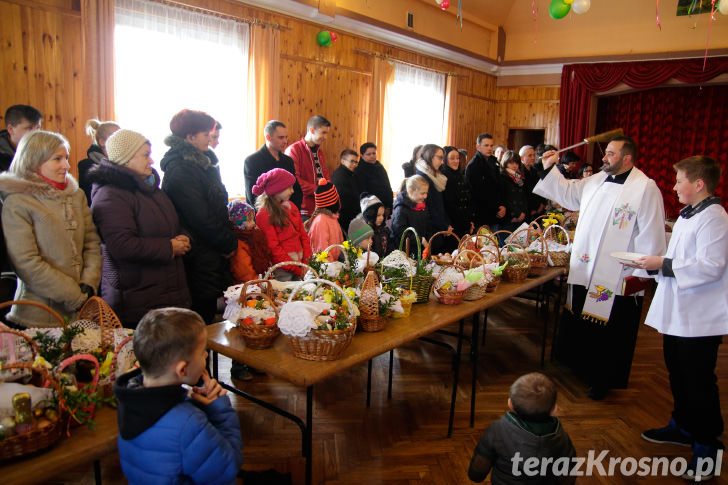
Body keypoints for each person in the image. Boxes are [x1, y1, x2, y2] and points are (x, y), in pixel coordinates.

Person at [534, 136, 666, 400]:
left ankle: (603, 378)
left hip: (617, 273)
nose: (604, 158)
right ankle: (581, 368)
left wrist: (641, 273)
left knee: (611, 329)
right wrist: (549, 167)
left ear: (627, 158)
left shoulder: (645, 188)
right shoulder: (595, 180)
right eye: (605, 153)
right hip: (586, 265)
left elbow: (652, 231)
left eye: (611, 154)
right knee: (583, 316)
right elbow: (568, 193)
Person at [635, 156, 727, 481]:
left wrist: (662, 263)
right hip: (679, 312)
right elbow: (678, 259)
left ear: (698, 184)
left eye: (679, 181)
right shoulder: (690, 216)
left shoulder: (715, 218)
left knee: (699, 380)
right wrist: (648, 265)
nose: (674, 186)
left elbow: (712, 265)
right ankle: (683, 426)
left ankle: (708, 446)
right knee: (678, 371)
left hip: (699, 317)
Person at [113, 307, 243, 484]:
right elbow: (227, 469)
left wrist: (190, 401)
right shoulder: (188, 423)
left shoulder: (129, 402)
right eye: (202, 351)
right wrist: (220, 410)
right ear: (182, 369)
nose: (206, 355)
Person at [88, 129, 191, 329]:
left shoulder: (149, 189)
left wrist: (183, 238)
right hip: (136, 298)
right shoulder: (111, 194)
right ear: (126, 159)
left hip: (164, 290)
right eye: (145, 155)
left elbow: (171, 224)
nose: (151, 161)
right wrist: (169, 247)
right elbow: (122, 245)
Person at [0, 130, 101, 327]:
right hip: (37, 315)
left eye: (66, 158)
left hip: (79, 313)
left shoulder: (76, 196)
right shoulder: (18, 202)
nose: (67, 165)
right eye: (57, 159)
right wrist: (74, 295)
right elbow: (26, 262)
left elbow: (92, 244)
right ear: (34, 162)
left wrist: (89, 283)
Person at [160, 109, 237, 324]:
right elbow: (201, 218)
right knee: (198, 319)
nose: (210, 140)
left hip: (209, 252)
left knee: (208, 316)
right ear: (190, 137)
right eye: (206, 135)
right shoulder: (181, 171)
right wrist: (227, 243)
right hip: (198, 255)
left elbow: (216, 206)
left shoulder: (202, 165)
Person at [468, 372, 576, 484]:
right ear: (554, 409)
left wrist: (475, 474)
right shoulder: (561, 436)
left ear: (510, 404)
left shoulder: (497, 430)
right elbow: (568, 475)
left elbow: (478, 471)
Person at [254, 168, 312, 281]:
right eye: (289, 188)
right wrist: (296, 269)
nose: (292, 191)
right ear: (276, 189)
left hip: (301, 265)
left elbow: (303, 235)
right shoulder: (264, 214)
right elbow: (273, 247)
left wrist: (306, 262)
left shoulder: (292, 207)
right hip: (283, 270)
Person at [244, 120, 303, 209]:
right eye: (281, 137)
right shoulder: (252, 161)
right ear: (268, 137)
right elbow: (253, 196)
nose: (285, 141)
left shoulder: (288, 161)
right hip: (264, 215)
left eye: (286, 137)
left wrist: (291, 211)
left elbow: (296, 190)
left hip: (288, 213)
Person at [285, 115, 331, 220]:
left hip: (321, 208)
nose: (326, 137)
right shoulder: (294, 150)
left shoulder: (320, 152)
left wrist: (328, 190)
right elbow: (294, 181)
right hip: (303, 210)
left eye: (327, 133)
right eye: (323, 132)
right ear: (312, 130)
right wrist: (318, 190)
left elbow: (325, 175)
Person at [465, 133, 506, 231]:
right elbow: (476, 193)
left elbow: (499, 187)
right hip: (481, 215)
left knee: (494, 244)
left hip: (495, 214)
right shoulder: (473, 166)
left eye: (491, 146)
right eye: (486, 145)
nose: (489, 148)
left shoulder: (494, 162)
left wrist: (502, 205)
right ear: (478, 147)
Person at [415, 144, 452, 248]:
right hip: (429, 230)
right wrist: (443, 226)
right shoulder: (422, 178)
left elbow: (441, 205)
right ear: (429, 156)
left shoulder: (435, 176)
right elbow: (429, 207)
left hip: (438, 227)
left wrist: (446, 224)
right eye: (440, 157)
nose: (442, 162)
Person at [228, 199, 272, 285]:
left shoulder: (254, 236)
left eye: (252, 219)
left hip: (260, 283)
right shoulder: (239, 244)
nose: (253, 223)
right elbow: (246, 275)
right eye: (248, 220)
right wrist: (265, 285)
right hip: (248, 289)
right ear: (239, 222)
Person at [78, 119, 120, 205]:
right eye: (115, 137)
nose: (120, 141)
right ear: (102, 142)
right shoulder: (87, 166)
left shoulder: (123, 163)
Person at [304, 179, 344, 261]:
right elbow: (322, 251)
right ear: (334, 201)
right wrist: (333, 268)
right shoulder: (321, 221)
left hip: (333, 266)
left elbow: (340, 242)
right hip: (324, 269)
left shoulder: (332, 217)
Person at [391, 175, 430, 257]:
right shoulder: (401, 209)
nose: (425, 196)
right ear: (411, 191)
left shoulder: (422, 207)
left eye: (426, 193)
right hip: (404, 252)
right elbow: (400, 231)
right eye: (422, 193)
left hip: (418, 250)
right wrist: (420, 240)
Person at [355, 142, 393, 217]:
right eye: (368, 154)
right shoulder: (359, 170)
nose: (372, 156)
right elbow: (363, 193)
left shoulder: (379, 167)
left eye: (374, 153)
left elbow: (387, 187)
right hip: (370, 209)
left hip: (385, 207)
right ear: (362, 156)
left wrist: (389, 206)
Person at [0, 104, 42, 172]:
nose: (35, 133)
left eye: (38, 128)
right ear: (10, 129)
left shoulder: (45, 150)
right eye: (29, 128)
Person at [331, 148, 361, 235]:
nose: (354, 165)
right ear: (343, 161)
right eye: (352, 161)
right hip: (344, 218)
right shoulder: (340, 176)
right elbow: (343, 200)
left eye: (356, 162)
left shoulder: (351, 174)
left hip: (352, 217)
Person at [500, 150, 528, 232]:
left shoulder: (519, 177)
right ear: (505, 163)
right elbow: (505, 198)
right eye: (511, 163)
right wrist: (517, 214)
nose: (514, 165)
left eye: (516, 163)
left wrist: (523, 212)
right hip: (509, 217)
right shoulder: (502, 177)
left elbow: (523, 196)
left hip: (520, 217)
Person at [520, 144, 547, 219]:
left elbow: (541, 188)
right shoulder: (519, 172)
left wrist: (542, 203)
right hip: (526, 211)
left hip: (538, 209)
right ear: (522, 158)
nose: (533, 158)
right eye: (529, 155)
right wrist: (529, 210)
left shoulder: (535, 171)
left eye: (533, 155)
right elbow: (523, 194)